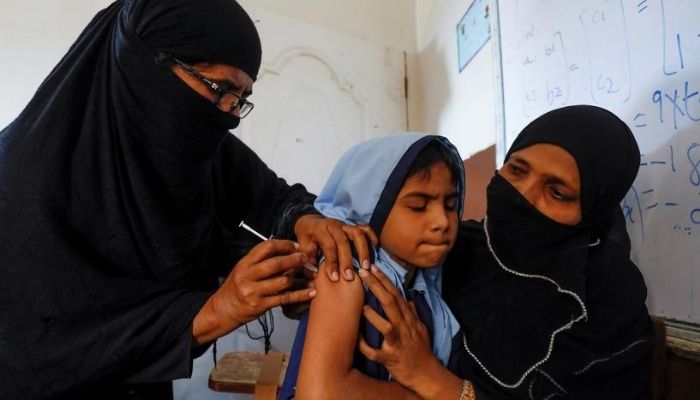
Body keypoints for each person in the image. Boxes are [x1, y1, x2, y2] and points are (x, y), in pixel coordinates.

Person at [0, 1, 373, 399]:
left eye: (240, 99)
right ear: (145, 67)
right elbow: (38, 349)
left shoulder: (196, 148)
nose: (228, 115)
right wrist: (213, 311)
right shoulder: (17, 185)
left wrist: (304, 221)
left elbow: (270, 197)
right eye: (221, 90)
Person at [358, 105, 653, 399]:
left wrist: (431, 379)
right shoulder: (451, 245)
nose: (522, 194)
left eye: (557, 193)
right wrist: (314, 223)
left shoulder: (610, 301)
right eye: (516, 169)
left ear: (593, 211)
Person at [277, 133, 466, 400]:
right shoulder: (345, 273)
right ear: (370, 208)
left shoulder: (426, 287)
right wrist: (419, 394)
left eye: (450, 205)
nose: (442, 222)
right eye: (418, 206)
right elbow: (320, 395)